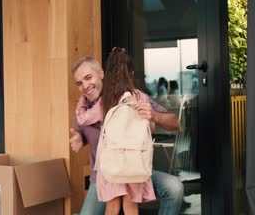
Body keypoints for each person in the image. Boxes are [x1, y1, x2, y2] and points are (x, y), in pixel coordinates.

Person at [70, 55, 184, 215]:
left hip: (135, 168)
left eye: (88, 78)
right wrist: (79, 137)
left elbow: (174, 122)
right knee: (124, 206)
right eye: (79, 83)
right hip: (106, 174)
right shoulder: (87, 106)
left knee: (174, 187)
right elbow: (78, 127)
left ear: (102, 74)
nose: (85, 86)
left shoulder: (135, 97)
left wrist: (154, 115)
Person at [95, 47, 156, 215]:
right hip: (133, 160)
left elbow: (91, 121)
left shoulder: (104, 100)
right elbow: (150, 128)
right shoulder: (140, 97)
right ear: (132, 73)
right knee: (131, 207)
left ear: (108, 73)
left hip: (111, 160)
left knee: (112, 206)